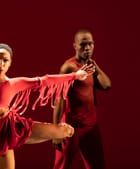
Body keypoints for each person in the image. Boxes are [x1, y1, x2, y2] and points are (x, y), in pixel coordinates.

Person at [0, 0, 95, 168]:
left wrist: (75, 75)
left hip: (9, 127)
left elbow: (44, 80)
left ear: (10, 63)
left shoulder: (13, 84)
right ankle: (63, 129)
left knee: (66, 131)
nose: (1, 64)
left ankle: (65, 129)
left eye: (5, 60)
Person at [52, 29, 111, 169]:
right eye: (83, 44)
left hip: (91, 127)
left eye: (90, 44)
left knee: (97, 166)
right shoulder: (68, 67)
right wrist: (55, 131)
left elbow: (107, 85)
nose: (87, 48)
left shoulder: (91, 67)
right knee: (61, 166)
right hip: (71, 126)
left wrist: (96, 67)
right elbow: (59, 99)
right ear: (75, 46)